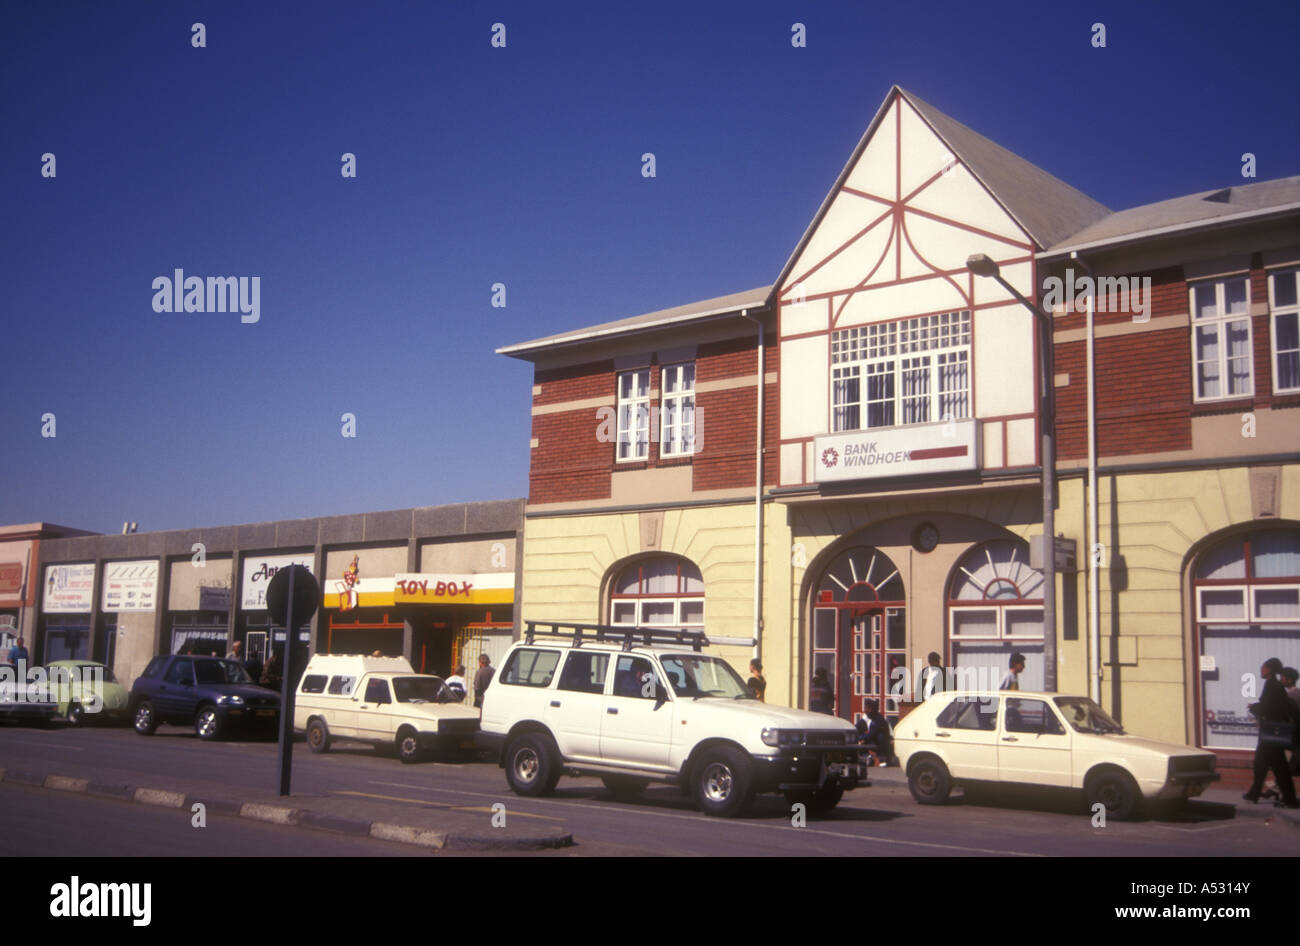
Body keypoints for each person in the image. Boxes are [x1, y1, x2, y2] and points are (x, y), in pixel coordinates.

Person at [1243, 657, 1299, 808]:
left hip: (1271, 733)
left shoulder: (1272, 685)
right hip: (1272, 733)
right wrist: (1258, 706)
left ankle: (1289, 799)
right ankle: (1257, 793)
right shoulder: (1275, 685)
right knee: (1266, 764)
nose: (1261, 669)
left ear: (1269, 669)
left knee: (1273, 766)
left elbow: (1269, 708)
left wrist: (1254, 708)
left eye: (1263, 666)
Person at [857, 699, 893, 766]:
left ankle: (876, 758)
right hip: (875, 742)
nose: (864, 711)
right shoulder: (871, 718)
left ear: (870, 709)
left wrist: (861, 739)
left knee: (872, 738)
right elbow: (858, 726)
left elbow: (872, 734)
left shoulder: (878, 719)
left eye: (866, 708)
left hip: (880, 745)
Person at [1281, 667, 1300, 776]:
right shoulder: (1297, 694)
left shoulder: (1291, 696)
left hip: (1292, 735)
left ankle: (1276, 786)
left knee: (1286, 761)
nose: (1281, 680)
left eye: (1282, 678)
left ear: (1289, 680)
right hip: (1295, 735)